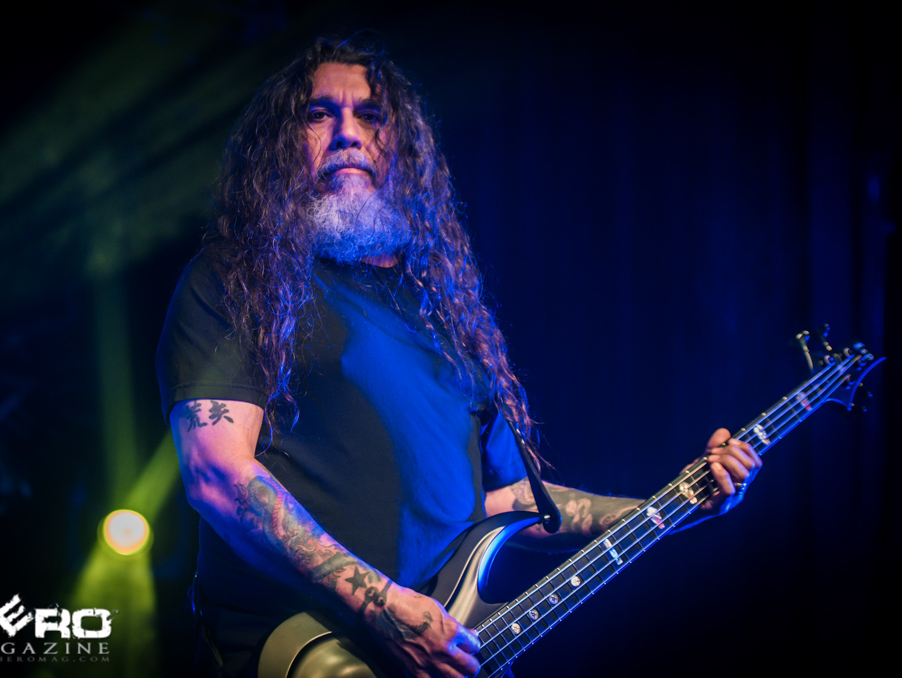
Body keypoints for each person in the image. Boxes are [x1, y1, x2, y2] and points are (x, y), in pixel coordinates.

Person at [156, 36, 761, 678]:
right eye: (317, 114)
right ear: (279, 144)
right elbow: (217, 473)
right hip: (301, 646)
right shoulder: (238, 279)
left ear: (404, 150)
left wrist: (671, 505)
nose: (347, 134)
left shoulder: (445, 318)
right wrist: (380, 605)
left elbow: (506, 500)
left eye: (371, 115)